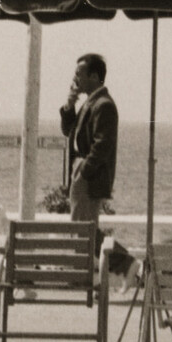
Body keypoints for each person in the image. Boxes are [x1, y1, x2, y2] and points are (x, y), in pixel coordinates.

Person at [59, 53, 119, 226]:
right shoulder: (90, 103)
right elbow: (68, 131)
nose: (75, 78)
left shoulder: (103, 105)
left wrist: (83, 172)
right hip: (82, 172)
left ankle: (118, 254)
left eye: (79, 73)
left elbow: (102, 145)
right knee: (80, 225)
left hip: (88, 177)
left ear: (94, 76)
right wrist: (69, 107)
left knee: (81, 230)